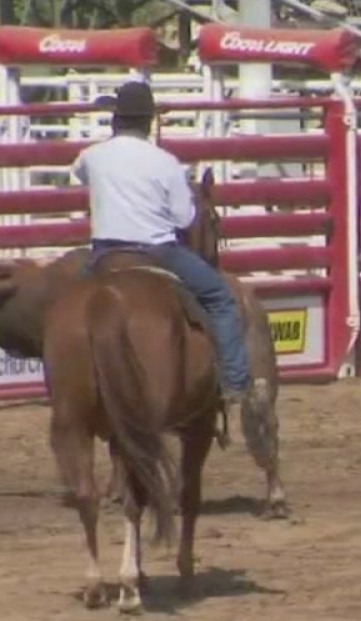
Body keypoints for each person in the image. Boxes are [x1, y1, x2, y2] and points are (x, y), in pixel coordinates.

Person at [71, 80, 253, 407]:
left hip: (105, 253)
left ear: (116, 119)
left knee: (68, 306)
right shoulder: (167, 163)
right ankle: (234, 382)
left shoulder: (92, 156)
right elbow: (184, 219)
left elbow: (80, 175)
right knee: (221, 298)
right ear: (149, 121)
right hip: (158, 250)